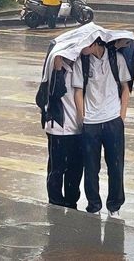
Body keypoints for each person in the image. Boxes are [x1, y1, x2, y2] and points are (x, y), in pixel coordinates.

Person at [72, 37, 132, 217]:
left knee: (115, 166)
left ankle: (114, 206)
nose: (81, 47)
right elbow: (78, 91)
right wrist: (82, 117)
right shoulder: (81, 62)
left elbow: (125, 88)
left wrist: (121, 116)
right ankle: (94, 205)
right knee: (91, 167)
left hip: (113, 119)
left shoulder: (116, 59)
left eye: (85, 43)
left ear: (95, 43)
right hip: (91, 123)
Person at [36, 52, 83, 209]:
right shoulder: (53, 68)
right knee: (57, 168)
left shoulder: (79, 66)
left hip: (77, 127)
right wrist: (57, 69)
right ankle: (55, 202)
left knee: (75, 168)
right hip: (58, 128)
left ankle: (71, 201)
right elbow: (55, 93)